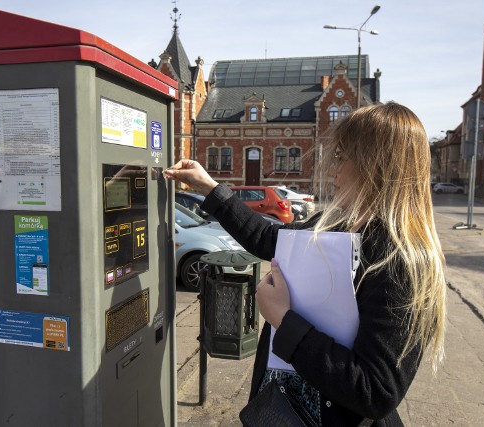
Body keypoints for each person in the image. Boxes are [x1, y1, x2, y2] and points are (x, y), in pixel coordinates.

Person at [163, 102, 447, 426]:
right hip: (284, 411)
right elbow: (266, 236)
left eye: (342, 158)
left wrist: (283, 320)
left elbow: (376, 391)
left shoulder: (400, 260)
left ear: (376, 165)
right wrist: (209, 188)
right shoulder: (335, 230)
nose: (332, 172)